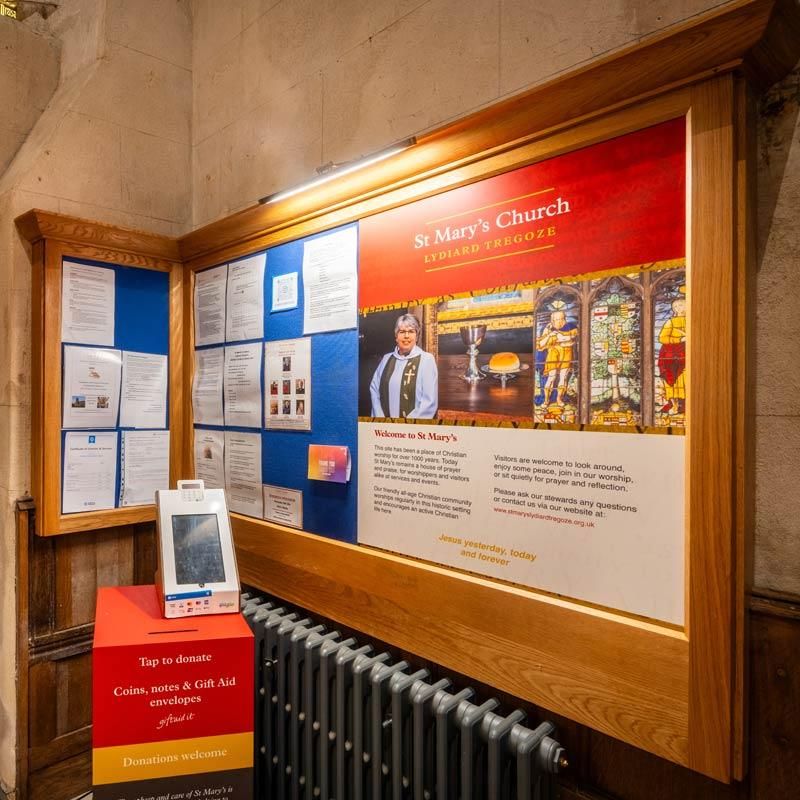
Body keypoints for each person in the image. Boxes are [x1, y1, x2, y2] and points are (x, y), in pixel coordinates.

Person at [369, 313, 438, 418]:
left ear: (417, 336)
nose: (406, 336)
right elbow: (374, 389)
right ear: (396, 336)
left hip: (411, 426)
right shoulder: (386, 359)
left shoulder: (426, 360)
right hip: (384, 425)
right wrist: (380, 419)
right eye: (402, 332)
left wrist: (405, 424)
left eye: (411, 331)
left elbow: (429, 401)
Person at [536, 305, 578, 406]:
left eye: (561, 319)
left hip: (567, 353)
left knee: (563, 377)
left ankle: (559, 399)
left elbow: (571, 338)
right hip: (553, 354)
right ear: (552, 320)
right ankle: (546, 400)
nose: (559, 322)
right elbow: (540, 345)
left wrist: (558, 336)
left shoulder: (571, 327)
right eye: (556, 320)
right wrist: (549, 336)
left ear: (564, 319)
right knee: (551, 377)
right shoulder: (548, 329)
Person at [657, 291, 686, 415]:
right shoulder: (671, 322)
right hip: (670, 356)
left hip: (686, 355)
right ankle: (674, 406)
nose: (679, 308)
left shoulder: (693, 320)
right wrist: (680, 339)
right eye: (676, 306)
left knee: (685, 380)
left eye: (682, 305)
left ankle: (687, 405)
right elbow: (662, 338)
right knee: (672, 382)